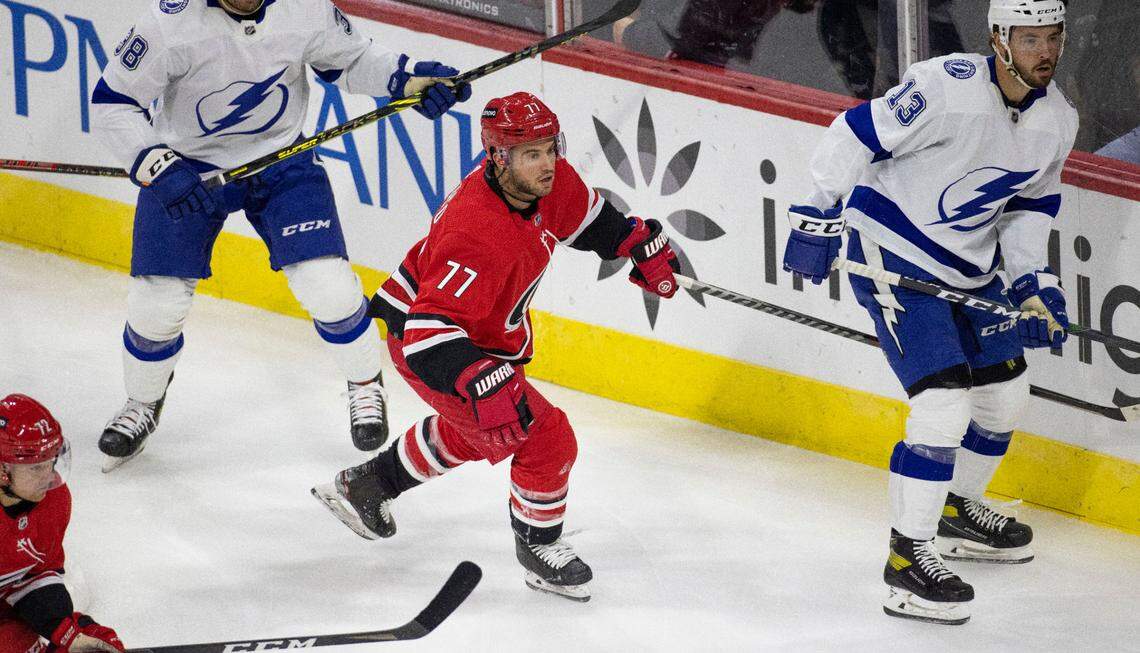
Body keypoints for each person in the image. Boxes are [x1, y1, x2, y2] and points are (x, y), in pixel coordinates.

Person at [311, 91, 681, 602]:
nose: (548, 163)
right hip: (431, 343)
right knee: (544, 436)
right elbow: (427, 335)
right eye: (533, 154)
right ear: (499, 158)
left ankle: (370, 484)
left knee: (493, 425)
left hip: (478, 333)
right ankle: (539, 549)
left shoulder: (545, 183)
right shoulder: (476, 231)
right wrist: (476, 376)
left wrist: (635, 242)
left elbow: (589, 222)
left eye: (552, 147)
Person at [782, 0, 1075, 625]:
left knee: (1005, 394)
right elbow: (855, 133)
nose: (1045, 52)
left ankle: (955, 507)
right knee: (943, 401)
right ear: (999, 39)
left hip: (971, 267)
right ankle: (906, 561)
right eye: (1030, 39)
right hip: (892, 251)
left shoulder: (1058, 119)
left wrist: (1030, 283)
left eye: (1053, 38)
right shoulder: (946, 86)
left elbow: (1028, 210)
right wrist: (818, 211)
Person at [91, 0, 471, 470]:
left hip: (281, 163)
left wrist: (408, 81)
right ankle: (143, 402)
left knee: (328, 287)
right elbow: (114, 103)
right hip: (187, 171)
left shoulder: (305, 8)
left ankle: (365, 383)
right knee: (157, 304)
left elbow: (350, 59)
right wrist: (155, 163)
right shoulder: (169, 23)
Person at [0, 395, 124, 653]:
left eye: (51, 462)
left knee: (94, 640)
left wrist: (67, 636)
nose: (49, 476)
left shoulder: (54, 500)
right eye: (36, 468)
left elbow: (35, 573)